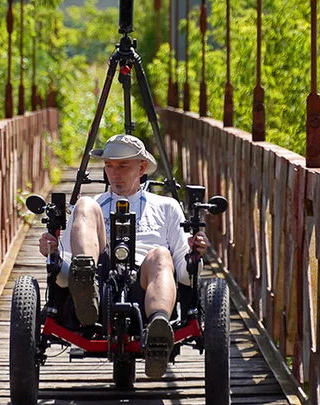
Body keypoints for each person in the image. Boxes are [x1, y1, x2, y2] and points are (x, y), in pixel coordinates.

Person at [38, 134, 208, 378]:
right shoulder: (91, 206)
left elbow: (183, 274)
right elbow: (64, 278)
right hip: (98, 282)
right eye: (109, 166)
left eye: (123, 166)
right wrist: (52, 252)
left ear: (141, 168)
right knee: (84, 204)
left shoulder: (166, 207)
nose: (114, 173)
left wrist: (194, 251)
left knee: (160, 254)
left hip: (147, 283)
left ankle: (158, 330)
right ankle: (86, 281)